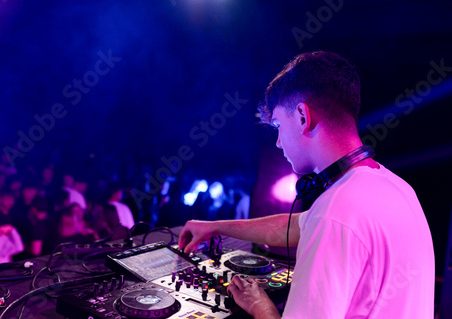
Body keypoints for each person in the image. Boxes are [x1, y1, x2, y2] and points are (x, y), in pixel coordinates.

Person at [179, 51, 434, 319]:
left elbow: (326, 222)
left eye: (278, 125)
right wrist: (214, 227)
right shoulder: (397, 188)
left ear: (302, 116)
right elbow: (296, 226)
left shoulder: (336, 211)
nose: (278, 142)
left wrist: (260, 306)